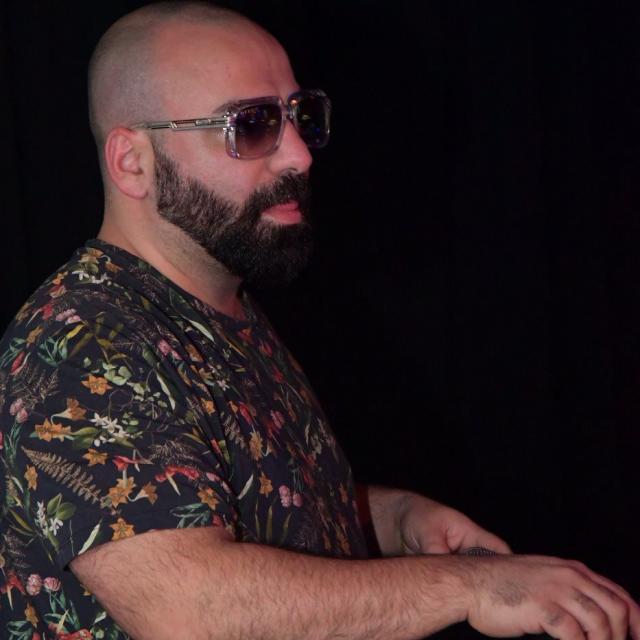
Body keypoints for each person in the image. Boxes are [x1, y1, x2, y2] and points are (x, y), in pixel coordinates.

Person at [0, 2, 638, 639]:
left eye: (299, 117)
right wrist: (467, 586)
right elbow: (188, 610)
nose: (300, 156)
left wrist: (391, 519)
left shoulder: (219, 310)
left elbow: (250, 502)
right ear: (132, 161)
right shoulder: (84, 339)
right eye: (251, 125)